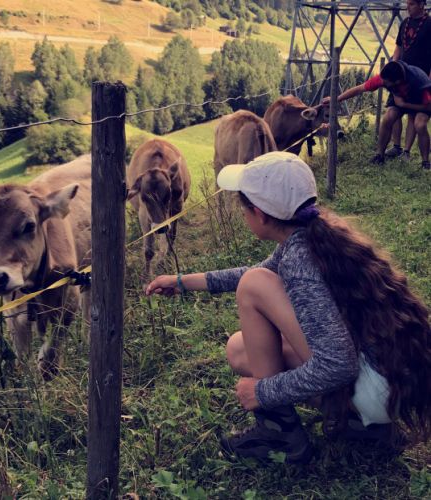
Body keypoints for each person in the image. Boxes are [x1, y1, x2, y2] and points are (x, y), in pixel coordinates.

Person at [146, 151, 431, 464]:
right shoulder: (311, 235)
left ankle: (280, 433)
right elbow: (255, 271)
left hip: (376, 389)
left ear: (259, 214)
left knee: (254, 285)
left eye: (244, 209)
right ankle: (358, 425)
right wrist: (183, 282)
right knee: (239, 349)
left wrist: (263, 392)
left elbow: (338, 365)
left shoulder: (299, 260)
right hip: (390, 380)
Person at [324, 60, 431, 170]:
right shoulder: (386, 78)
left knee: (420, 125)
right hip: (399, 97)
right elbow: (359, 89)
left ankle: (425, 162)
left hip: (421, 103)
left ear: (398, 81)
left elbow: (428, 107)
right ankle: (380, 155)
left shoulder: (420, 83)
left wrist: (404, 104)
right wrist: (336, 99)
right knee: (388, 117)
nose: (383, 83)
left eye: (386, 82)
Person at [386, 0, 431, 160]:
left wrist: (429, 80)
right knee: (394, 108)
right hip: (400, 75)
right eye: (407, 3)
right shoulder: (405, 23)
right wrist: (394, 64)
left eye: (411, 4)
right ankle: (396, 146)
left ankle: (406, 151)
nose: (407, 7)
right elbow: (398, 46)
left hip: (420, 78)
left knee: (413, 114)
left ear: (421, 5)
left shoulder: (429, 24)